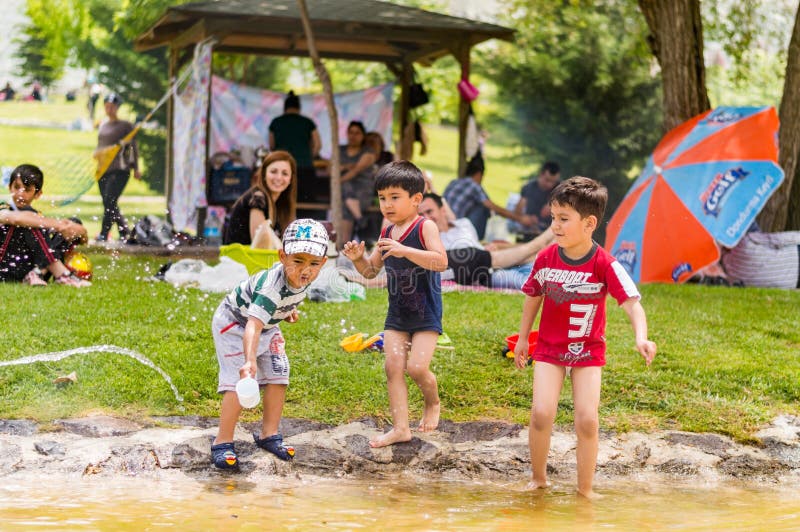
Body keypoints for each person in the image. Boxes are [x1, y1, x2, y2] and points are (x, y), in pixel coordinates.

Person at [513, 176, 656, 498]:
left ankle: (586, 490)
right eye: (553, 218)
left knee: (588, 420)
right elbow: (533, 297)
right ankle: (538, 479)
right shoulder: (546, 258)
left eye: (564, 219)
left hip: (587, 353)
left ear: (589, 223)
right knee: (541, 413)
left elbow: (633, 305)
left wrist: (641, 338)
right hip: (549, 349)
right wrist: (524, 339)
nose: (556, 226)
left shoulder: (605, 263)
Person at [342, 161, 448, 448]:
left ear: (416, 199)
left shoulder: (425, 227)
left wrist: (405, 250)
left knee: (416, 368)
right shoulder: (387, 233)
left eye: (394, 197)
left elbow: (441, 261)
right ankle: (401, 428)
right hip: (398, 313)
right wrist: (357, 259)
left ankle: (432, 402)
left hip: (425, 313)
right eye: (382, 198)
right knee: (393, 367)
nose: (387, 205)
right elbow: (371, 272)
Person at [210, 218, 329, 470]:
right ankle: (222, 441)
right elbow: (252, 324)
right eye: (297, 261)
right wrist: (250, 361)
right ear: (283, 256)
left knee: (279, 373)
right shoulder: (272, 288)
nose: (305, 270)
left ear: (323, 263)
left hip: (266, 325)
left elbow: (287, 298)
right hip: (236, 324)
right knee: (239, 381)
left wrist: (287, 311)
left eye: (313, 264)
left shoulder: (304, 277)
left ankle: (269, 434)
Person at [419, 193, 554, 289]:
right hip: (485, 272)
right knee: (529, 282)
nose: (427, 217)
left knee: (541, 269)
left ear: (442, 210)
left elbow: (476, 244)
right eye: (422, 215)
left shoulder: (463, 224)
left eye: (430, 211)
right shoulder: (432, 240)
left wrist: (487, 247)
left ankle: (551, 248)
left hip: (492, 257)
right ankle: (548, 239)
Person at [0, 164, 91, 287]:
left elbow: (82, 239)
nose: (20, 194)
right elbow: (17, 219)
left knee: (74, 221)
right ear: (9, 187)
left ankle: (38, 273)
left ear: (38, 194)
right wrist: (60, 225)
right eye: (16, 187)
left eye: (27, 189)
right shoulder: (3, 207)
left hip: (31, 269)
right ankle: (61, 274)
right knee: (31, 220)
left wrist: (80, 230)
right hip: (6, 269)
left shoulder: (37, 215)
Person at [442, 154, 535, 241]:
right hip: (454, 229)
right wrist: (520, 219)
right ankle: (475, 240)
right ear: (479, 174)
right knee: (483, 208)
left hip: (442, 224)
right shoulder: (474, 186)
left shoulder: (454, 182)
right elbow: (494, 208)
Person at [223, 150, 297, 249]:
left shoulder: (281, 204)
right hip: (239, 261)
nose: (279, 177)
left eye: (285, 173)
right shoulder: (258, 197)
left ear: (290, 179)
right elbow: (260, 246)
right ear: (264, 175)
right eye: (273, 172)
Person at [94, 92, 139, 243]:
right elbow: (101, 145)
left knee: (110, 200)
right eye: (107, 106)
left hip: (119, 169)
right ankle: (124, 231)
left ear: (117, 108)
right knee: (109, 202)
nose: (109, 109)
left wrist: (136, 167)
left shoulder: (125, 126)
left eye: (112, 107)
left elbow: (132, 147)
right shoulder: (103, 124)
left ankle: (103, 234)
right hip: (103, 169)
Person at [268, 91, 321, 204]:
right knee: (306, 205)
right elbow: (318, 145)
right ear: (299, 107)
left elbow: (271, 145)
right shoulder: (307, 122)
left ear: (285, 107)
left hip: (282, 170)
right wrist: (308, 156)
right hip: (305, 168)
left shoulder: (276, 122)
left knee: (282, 204)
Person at [340, 121, 378, 242]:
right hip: (344, 192)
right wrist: (347, 167)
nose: (353, 136)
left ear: (363, 136)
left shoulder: (368, 153)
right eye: (351, 132)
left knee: (345, 204)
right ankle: (360, 219)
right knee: (345, 196)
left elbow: (355, 171)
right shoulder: (339, 150)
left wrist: (337, 181)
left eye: (357, 133)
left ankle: (343, 248)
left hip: (362, 191)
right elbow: (331, 169)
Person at [513, 161, 561, 238]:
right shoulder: (529, 188)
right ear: (541, 174)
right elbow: (517, 211)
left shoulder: (561, 188)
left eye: (553, 182)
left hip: (552, 232)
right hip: (531, 230)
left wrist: (554, 205)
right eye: (547, 180)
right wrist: (525, 218)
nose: (550, 184)